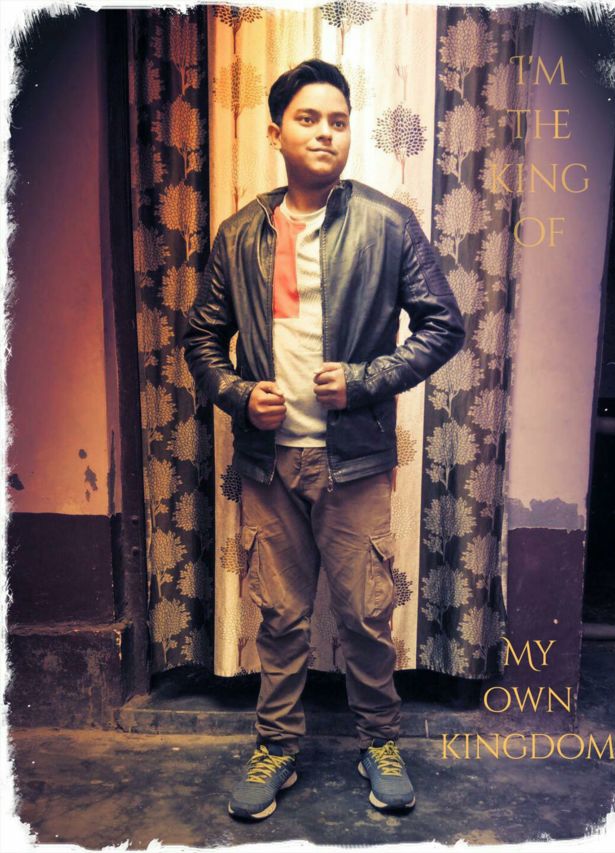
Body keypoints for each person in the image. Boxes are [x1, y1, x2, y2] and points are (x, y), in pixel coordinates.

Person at [183, 59, 465, 821]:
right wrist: (240, 394)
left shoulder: (387, 223)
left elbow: (444, 324)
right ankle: (276, 746)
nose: (325, 133)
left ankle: (381, 742)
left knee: (366, 615)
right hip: (269, 464)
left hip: (355, 462)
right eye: (308, 119)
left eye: (338, 121)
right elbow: (202, 340)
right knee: (279, 617)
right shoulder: (240, 234)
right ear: (276, 131)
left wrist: (367, 379)